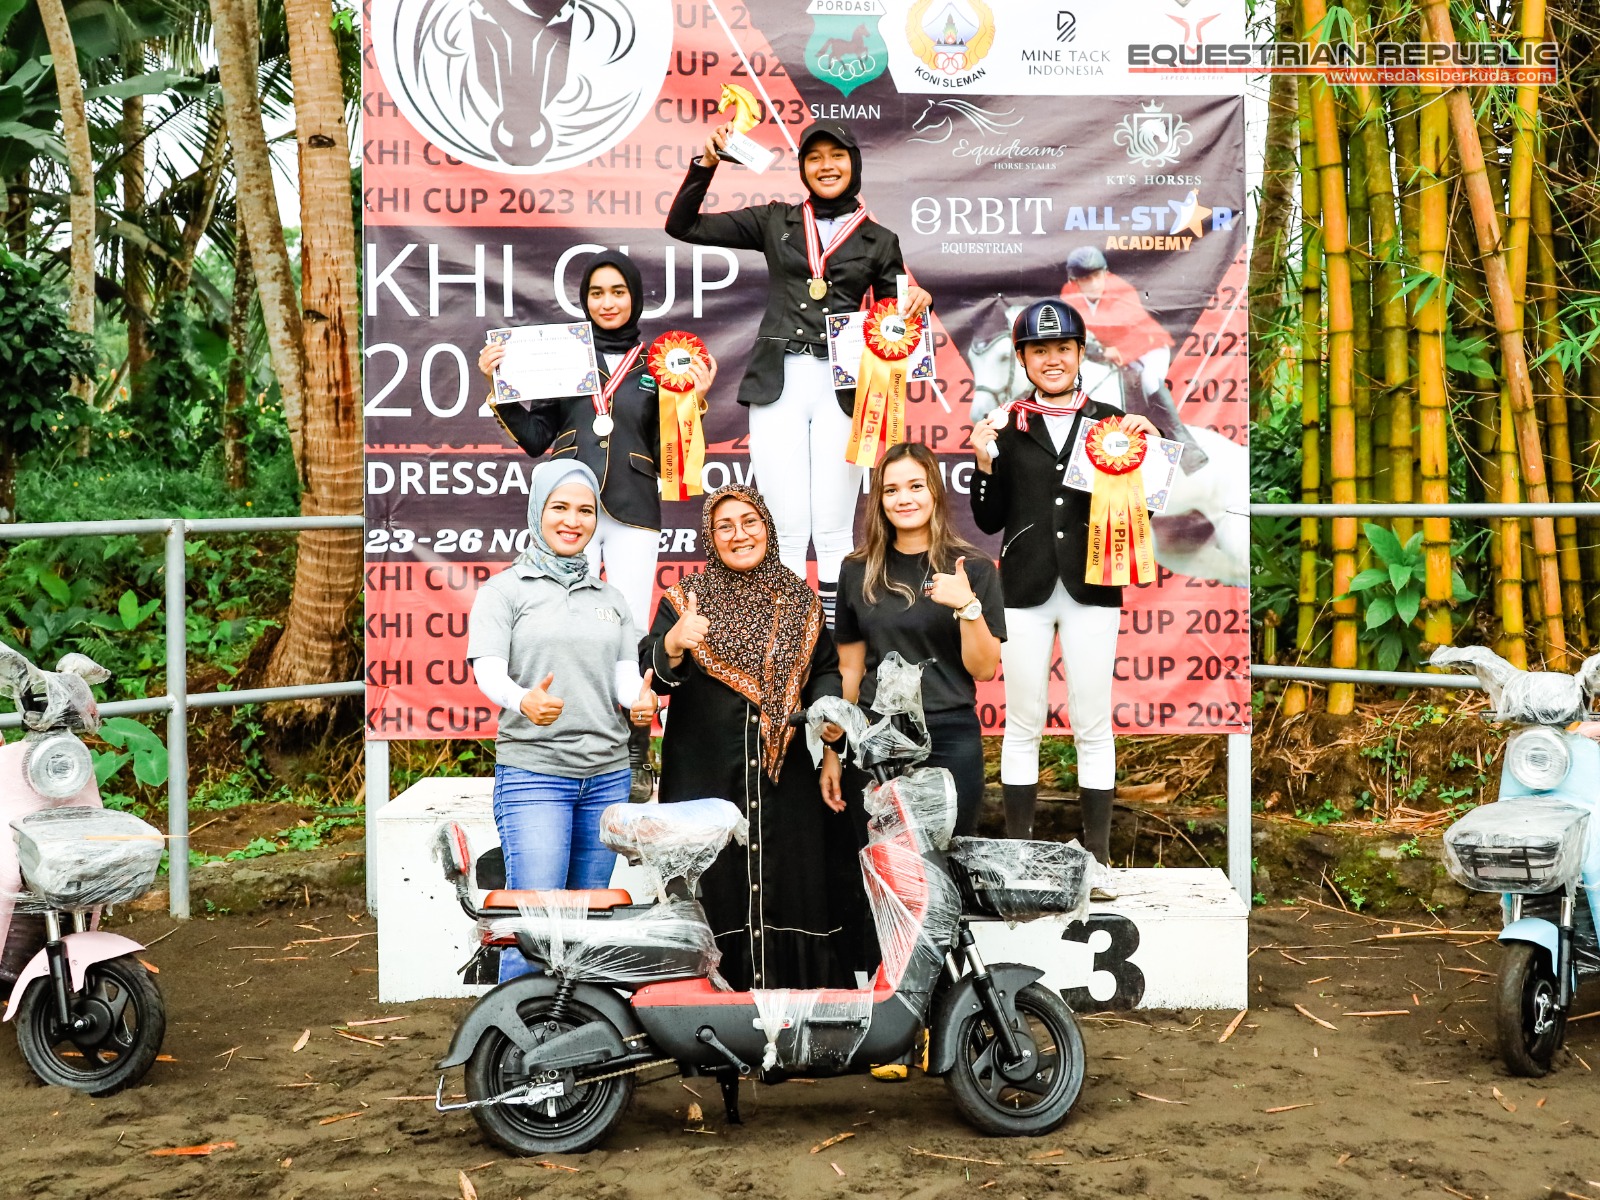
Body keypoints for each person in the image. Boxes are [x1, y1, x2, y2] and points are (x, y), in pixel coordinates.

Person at [665, 118, 932, 626]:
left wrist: (917, 299)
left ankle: (835, 640)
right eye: (814, 158)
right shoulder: (776, 220)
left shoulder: (879, 239)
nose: (826, 166)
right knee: (785, 529)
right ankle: (789, 641)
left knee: (832, 530)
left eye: (836, 156)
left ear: (854, 164)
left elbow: (898, 317)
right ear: (803, 168)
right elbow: (684, 225)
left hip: (843, 389)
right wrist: (707, 163)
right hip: (778, 383)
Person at [478, 250, 715, 796]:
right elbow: (536, 439)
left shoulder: (661, 362)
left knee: (627, 626)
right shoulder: (563, 355)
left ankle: (634, 753)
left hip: (634, 506)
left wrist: (693, 404)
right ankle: (563, 745)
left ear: (636, 297)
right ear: (584, 301)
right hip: (571, 508)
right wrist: (499, 387)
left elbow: (669, 449)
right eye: (596, 293)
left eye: (618, 292)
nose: (607, 303)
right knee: (567, 621)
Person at [968, 300, 1159, 867]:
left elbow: (1142, 507)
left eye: (1062, 348)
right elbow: (988, 520)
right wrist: (984, 463)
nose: (1052, 359)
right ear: (1022, 358)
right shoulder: (1004, 423)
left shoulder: (1112, 422)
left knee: (1092, 722)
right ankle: (1019, 856)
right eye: (1039, 350)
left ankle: (1098, 857)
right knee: (1022, 722)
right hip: (1023, 588)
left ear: (1080, 354)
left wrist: (1150, 450)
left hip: (1092, 586)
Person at [641, 484, 852, 991]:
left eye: (750, 522)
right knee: (714, 890)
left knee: (791, 888)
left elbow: (824, 670)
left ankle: (793, 1012)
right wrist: (674, 642)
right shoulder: (686, 600)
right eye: (725, 526)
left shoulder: (800, 602)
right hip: (705, 781)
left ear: (768, 528)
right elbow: (657, 676)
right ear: (710, 538)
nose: (739, 535)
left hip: (787, 784)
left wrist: (829, 727)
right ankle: (711, 1014)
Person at [467, 460, 658, 981]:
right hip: (535, 775)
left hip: (607, 777)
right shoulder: (504, 591)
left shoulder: (611, 599)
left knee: (587, 923)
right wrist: (521, 699)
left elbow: (622, 677)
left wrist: (638, 701)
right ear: (537, 511)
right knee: (533, 917)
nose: (573, 521)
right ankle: (516, 1027)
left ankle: (574, 1025)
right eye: (560, 507)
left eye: (585, 511)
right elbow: (487, 670)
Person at [832, 442, 1004, 838]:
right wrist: (834, 748)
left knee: (950, 861)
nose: (904, 499)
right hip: (876, 740)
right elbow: (850, 670)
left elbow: (983, 668)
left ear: (935, 492)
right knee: (886, 865)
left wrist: (968, 606)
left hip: (950, 736)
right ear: (879, 500)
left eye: (915, 486)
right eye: (891, 490)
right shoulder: (856, 570)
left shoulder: (975, 569)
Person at [1060, 246, 1204, 470]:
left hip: (1146, 346)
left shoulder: (1121, 291)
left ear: (1106, 273)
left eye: (1097, 276)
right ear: (1074, 281)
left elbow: (1136, 335)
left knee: (1148, 380)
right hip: (1104, 350)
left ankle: (1186, 446)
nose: (1094, 283)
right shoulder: (1068, 295)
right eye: (1086, 279)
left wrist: (1116, 351)